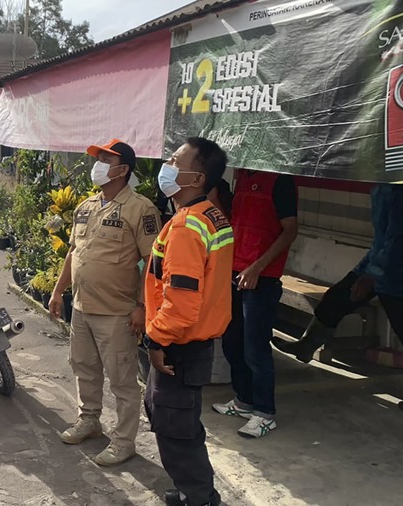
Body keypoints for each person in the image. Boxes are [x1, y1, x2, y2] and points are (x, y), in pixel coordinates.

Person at [271, 184, 403, 446]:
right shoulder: (382, 187)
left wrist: (370, 277)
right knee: (334, 300)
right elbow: (381, 239)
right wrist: (363, 271)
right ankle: (306, 346)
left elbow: (401, 239)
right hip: (377, 263)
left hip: (401, 271)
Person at [49, 138, 162, 467]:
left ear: (123, 169)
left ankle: (124, 441)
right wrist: (57, 291)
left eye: (105, 160)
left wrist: (142, 306)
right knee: (83, 368)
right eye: (98, 158)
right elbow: (74, 252)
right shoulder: (86, 207)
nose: (97, 165)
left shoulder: (140, 209)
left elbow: (152, 262)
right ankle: (90, 420)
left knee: (122, 380)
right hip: (82, 308)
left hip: (117, 312)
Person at [143, 137, 232, 506]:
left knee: (175, 428)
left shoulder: (187, 226)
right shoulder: (212, 215)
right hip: (193, 341)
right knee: (180, 421)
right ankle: (193, 491)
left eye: (175, 161)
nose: (167, 166)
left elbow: (181, 302)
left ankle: (198, 498)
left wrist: (155, 340)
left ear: (196, 179)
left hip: (178, 344)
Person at [211, 170, 298, 438]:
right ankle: (244, 400)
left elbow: (290, 230)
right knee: (232, 341)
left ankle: (264, 413)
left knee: (255, 347)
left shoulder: (280, 180)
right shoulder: (242, 177)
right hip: (235, 271)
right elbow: (235, 222)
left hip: (262, 277)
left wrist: (257, 267)